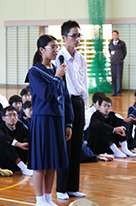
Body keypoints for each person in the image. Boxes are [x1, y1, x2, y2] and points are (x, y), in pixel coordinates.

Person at [27, 34, 74, 206]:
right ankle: (40, 200)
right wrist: (56, 77)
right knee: (41, 162)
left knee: (53, 161)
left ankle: (48, 198)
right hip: (42, 120)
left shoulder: (57, 69)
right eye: (52, 47)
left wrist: (68, 122)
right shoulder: (34, 72)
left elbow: (66, 97)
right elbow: (46, 94)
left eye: (56, 47)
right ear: (41, 50)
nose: (55, 50)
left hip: (58, 120)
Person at [55, 20, 87, 200]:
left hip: (78, 103)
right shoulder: (59, 58)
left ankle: (73, 187)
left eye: (79, 35)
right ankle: (61, 188)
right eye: (74, 36)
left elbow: (85, 84)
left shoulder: (81, 57)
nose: (77, 39)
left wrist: (85, 105)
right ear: (64, 37)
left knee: (77, 146)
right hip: (65, 104)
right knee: (65, 146)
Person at [0, 106, 33, 176]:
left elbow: (30, 135)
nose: (13, 117)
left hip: (17, 162)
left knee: (29, 143)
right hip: (3, 161)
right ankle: (23, 168)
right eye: (10, 115)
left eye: (15, 115)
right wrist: (18, 144)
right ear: (3, 118)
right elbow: (2, 137)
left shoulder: (19, 125)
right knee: (5, 143)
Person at [109, 30, 127, 96]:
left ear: (118, 35)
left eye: (115, 35)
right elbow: (110, 51)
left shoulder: (122, 43)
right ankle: (114, 92)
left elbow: (125, 53)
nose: (114, 36)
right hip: (112, 63)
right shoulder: (110, 43)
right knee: (113, 78)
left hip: (119, 63)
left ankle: (119, 91)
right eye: (113, 35)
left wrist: (120, 58)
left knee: (119, 77)